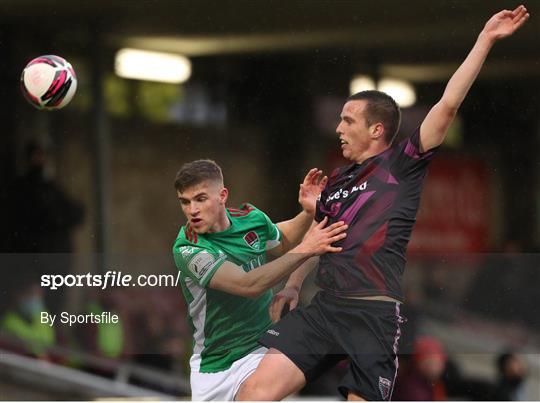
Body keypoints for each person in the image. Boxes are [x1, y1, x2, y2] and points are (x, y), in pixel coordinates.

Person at [237, 6, 529, 401]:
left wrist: (485, 39)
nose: (338, 128)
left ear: (376, 129)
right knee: (252, 392)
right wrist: (291, 285)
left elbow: (447, 105)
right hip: (325, 310)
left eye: (347, 120)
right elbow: (319, 240)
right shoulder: (337, 180)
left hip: (372, 317)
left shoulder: (403, 165)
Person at [171, 159, 347, 400]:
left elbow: (283, 240)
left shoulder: (249, 217)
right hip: (215, 368)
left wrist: (307, 212)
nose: (192, 210)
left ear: (222, 195)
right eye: (185, 202)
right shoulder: (187, 248)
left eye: (200, 199)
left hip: (263, 349)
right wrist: (307, 247)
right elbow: (248, 284)